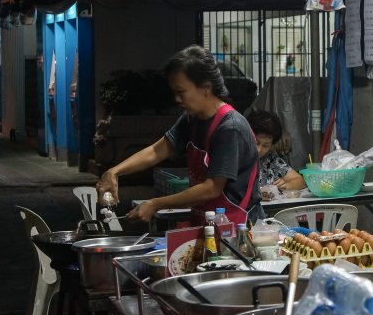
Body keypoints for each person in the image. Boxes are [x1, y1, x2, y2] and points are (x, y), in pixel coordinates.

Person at [96, 45, 263, 225]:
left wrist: (155, 204)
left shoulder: (230, 127)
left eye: (181, 92)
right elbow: (157, 150)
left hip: (239, 230)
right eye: (174, 92)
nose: (176, 99)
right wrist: (114, 172)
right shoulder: (192, 119)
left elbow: (212, 188)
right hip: (207, 222)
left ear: (206, 88)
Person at [246, 109, 306, 191]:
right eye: (256, 142)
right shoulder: (236, 158)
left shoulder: (270, 160)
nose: (259, 150)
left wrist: (284, 186)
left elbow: (300, 181)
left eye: (266, 145)